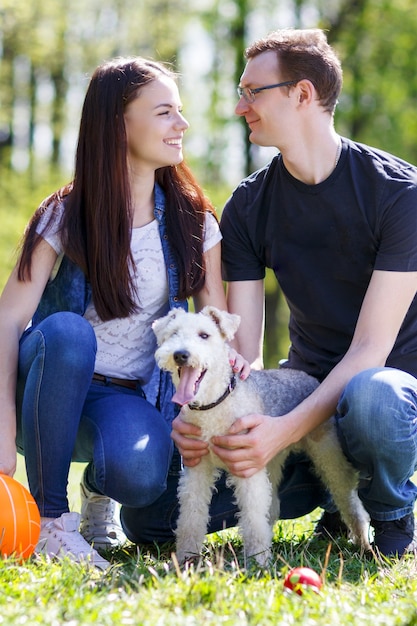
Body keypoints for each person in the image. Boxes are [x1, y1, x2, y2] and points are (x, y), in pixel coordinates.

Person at [127, 28, 417, 560]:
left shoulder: (400, 194)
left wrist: (280, 431)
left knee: (371, 398)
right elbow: (243, 354)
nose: (240, 107)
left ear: (302, 95)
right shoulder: (248, 207)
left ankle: (391, 509)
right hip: (301, 398)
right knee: (147, 518)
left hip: (389, 399)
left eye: (251, 92)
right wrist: (209, 416)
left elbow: (369, 351)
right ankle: (329, 493)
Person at [0, 56, 246, 569]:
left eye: (179, 111)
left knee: (141, 473)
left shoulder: (194, 222)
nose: (181, 124)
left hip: (129, 394)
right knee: (67, 333)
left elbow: (214, 331)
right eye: (164, 113)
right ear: (119, 123)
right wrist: (1, 427)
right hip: (47, 386)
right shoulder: (64, 214)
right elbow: (8, 320)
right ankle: (49, 521)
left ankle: (97, 492)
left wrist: (219, 404)